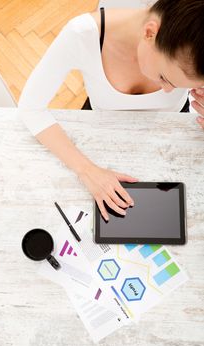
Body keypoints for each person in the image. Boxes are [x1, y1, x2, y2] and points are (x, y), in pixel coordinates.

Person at [18, 0, 204, 221]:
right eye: (164, 77)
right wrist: (87, 171)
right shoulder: (82, 34)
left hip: (171, 152)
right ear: (149, 33)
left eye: (180, 86)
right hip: (96, 150)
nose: (167, 91)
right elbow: (31, 108)